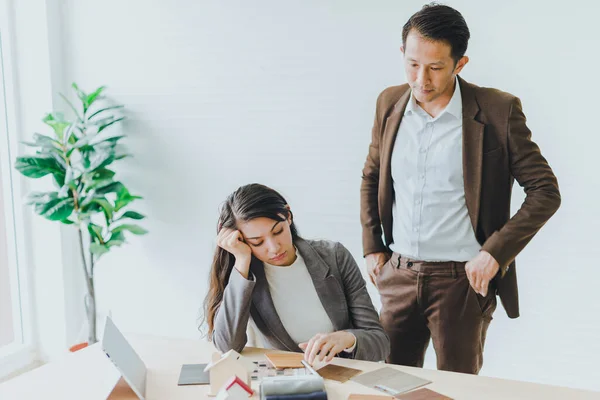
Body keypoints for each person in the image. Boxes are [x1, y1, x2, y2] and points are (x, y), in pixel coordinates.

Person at [360, 4, 561, 374]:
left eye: (435, 67)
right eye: (413, 64)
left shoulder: (498, 110)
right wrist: (373, 247)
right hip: (398, 275)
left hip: (462, 282)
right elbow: (372, 175)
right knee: (387, 383)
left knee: (456, 390)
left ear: (460, 64)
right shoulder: (389, 103)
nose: (421, 79)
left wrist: (495, 253)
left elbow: (545, 190)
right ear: (402, 53)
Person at [203, 183, 390, 364]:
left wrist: (347, 339)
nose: (274, 248)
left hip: (343, 375)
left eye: (278, 231)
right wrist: (242, 262)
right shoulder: (245, 276)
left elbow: (379, 342)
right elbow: (228, 347)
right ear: (242, 241)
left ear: (288, 216)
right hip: (285, 382)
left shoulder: (334, 257)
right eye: (257, 242)